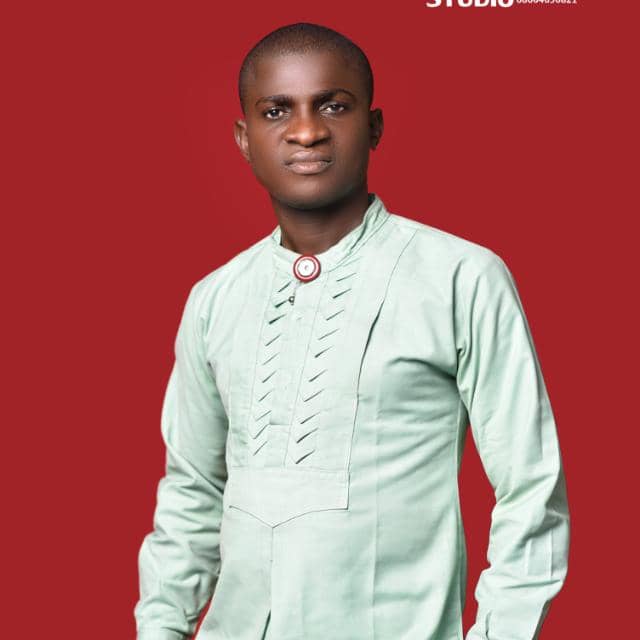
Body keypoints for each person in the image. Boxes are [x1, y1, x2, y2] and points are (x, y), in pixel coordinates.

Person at [133, 22, 570, 640]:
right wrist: (159, 630)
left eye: (333, 106)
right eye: (276, 110)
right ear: (244, 138)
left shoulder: (461, 278)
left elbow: (533, 490)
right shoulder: (215, 299)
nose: (306, 131)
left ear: (374, 126)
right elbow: (192, 492)